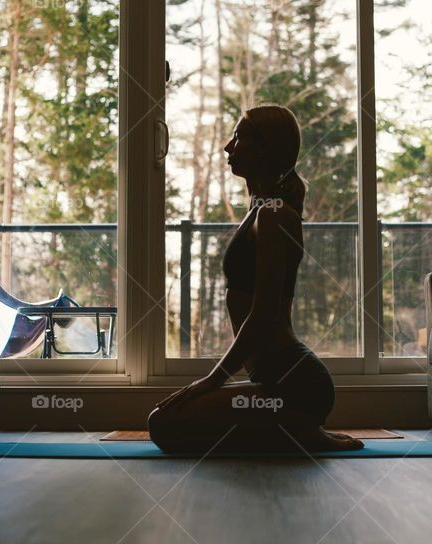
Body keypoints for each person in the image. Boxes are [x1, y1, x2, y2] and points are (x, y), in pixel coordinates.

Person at [147, 104, 363, 453]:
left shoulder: (275, 217)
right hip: (273, 380)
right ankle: (293, 430)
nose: (228, 147)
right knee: (165, 423)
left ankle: (301, 429)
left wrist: (212, 381)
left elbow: (263, 315)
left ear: (265, 148)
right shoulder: (261, 211)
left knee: (163, 424)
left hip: (296, 383)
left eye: (239, 138)